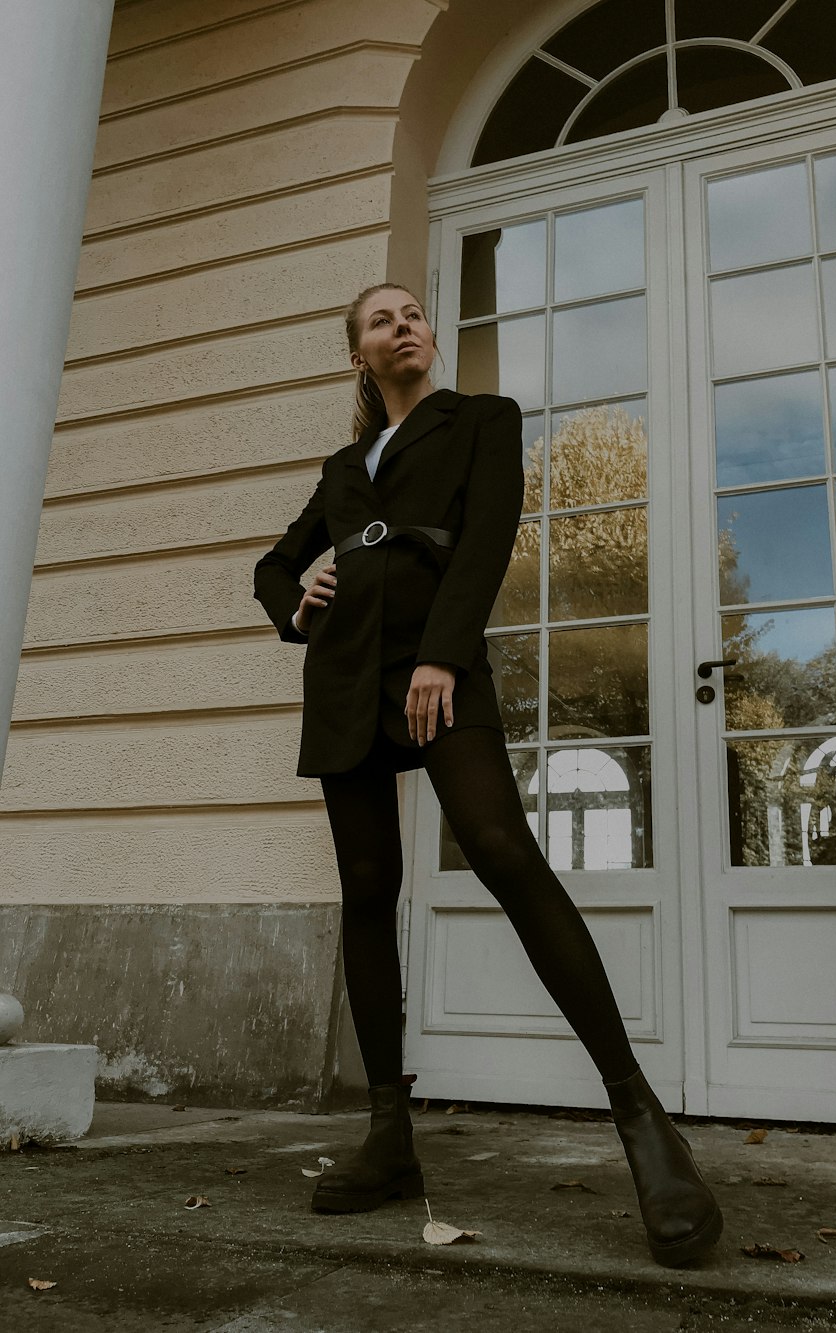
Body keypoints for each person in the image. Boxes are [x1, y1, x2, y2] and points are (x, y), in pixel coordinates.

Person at [253, 282, 723, 1268]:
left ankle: (641, 1118)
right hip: (343, 677)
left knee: (504, 849)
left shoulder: (482, 421)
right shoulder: (343, 468)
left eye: (413, 313)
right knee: (367, 892)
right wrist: (299, 596)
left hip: (434, 663)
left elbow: (489, 537)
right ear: (359, 357)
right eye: (382, 320)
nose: (404, 325)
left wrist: (442, 655)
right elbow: (273, 566)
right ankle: (388, 1137)